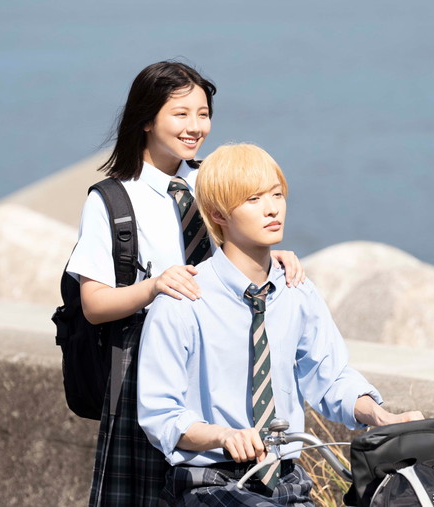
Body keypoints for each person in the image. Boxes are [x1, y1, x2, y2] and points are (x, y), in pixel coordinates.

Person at [66, 62, 305, 507]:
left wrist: (269, 258)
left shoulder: (210, 181)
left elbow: (237, 252)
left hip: (218, 361)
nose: (195, 127)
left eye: (203, 114)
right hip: (144, 368)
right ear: (145, 119)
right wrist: (155, 286)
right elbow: (94, 305)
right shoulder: (113, 199)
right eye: (181, 114)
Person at [137, 143, 424, 506]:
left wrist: (379, 416)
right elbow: (161, 415)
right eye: (253, 199)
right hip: (209, 482)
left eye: (277, 194)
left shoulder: (296, 290)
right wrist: (223, 436)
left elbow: (330, 376)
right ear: (218, 214)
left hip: (288, 479)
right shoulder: (183, 300)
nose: (272, 208)